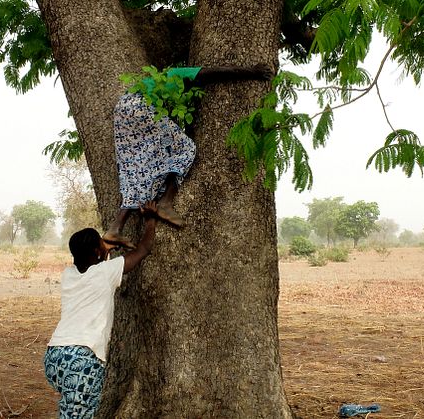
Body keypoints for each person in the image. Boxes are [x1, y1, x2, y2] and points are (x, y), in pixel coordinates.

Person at [102, 64, 273, 249]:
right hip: (140, 107)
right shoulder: (176, 75)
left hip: (122, 111)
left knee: (138, 168)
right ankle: (166, 203)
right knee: (186, 148)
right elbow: (216, 72)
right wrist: (252, 71)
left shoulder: (155, 86)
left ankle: (115, 228)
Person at [43, 201, 159, 418]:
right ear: (98, 251)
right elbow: (144, 249)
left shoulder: (69, 275)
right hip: (82, 358)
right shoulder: (106, 272)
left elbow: (95, 257)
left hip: (54, 356)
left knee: (70, 411)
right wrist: (150, 219)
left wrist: (102, 247)